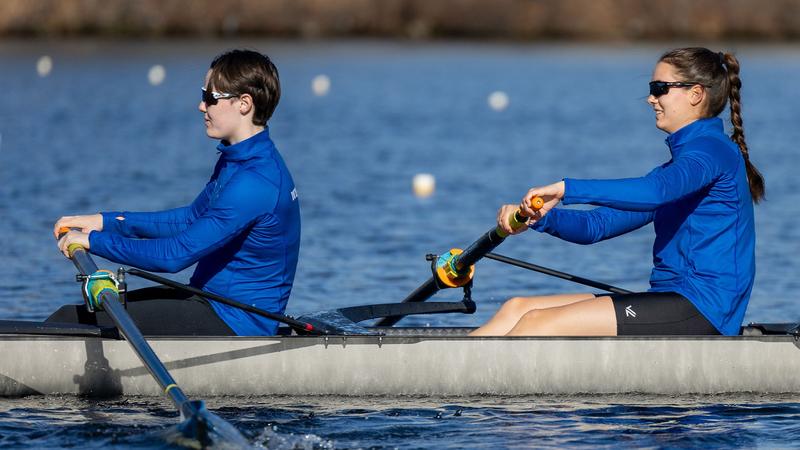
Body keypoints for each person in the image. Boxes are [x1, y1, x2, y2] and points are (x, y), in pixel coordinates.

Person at [471, 47, 764, 337]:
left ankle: (472, 381)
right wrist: (539, 217)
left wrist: (566, 189)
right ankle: (443, 377)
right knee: (517, 308)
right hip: (670, 300)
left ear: (695, 94)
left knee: (536, 323)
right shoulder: (678, 172)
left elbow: (654, 192)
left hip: (705, 309)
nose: (651, 98)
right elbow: (595, 225)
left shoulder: (712, 153)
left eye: (660, 88)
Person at [50, 49, 300, 336]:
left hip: (236, 322)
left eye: (210, 98)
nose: (201, 106)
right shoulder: (238, 160)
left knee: (69, 323)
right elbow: (188, 220)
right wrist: (105, 221)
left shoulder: (255, 182)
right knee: (72, 315)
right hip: (210, 301)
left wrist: (94, 242)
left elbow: (175, 256)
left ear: (244, 104)